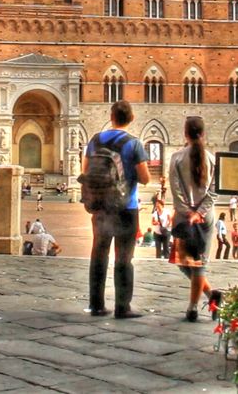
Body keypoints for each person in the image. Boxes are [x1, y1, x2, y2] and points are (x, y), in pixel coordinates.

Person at [83, 100, 150, 319]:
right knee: (124, 257)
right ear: (131, 119)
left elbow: (85, 171)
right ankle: (122, 307)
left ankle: (96, 305)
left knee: (98, 254)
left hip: (101, 207)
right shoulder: (134, 144)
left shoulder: (94, 141)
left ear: (111, 116)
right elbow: (145, 178)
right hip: (125, 207)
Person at [168, 116, 222, 322]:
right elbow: (215, 190)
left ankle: (192, 308)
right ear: (203, 133)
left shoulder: (177, 158)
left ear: (185, 133)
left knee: (193, 264)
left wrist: (188, 212)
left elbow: (175, 188)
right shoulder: (211, 158)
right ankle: (211, 295)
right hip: (205, 217)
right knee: (191, 263)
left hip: (184, 217)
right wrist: (200, 212)